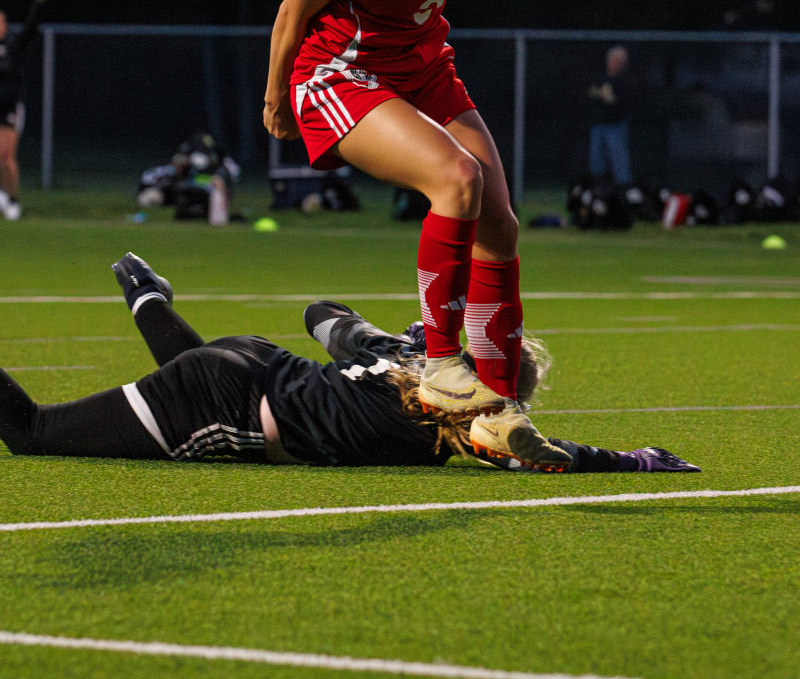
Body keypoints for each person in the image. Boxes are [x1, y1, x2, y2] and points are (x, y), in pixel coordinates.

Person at [226, 0, 532, 463]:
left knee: (501, 222)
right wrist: (275, 98)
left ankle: (496, 411)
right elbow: (291, 15)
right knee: (456, 179)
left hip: (422, 66)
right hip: (338, 74)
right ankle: (436, 366)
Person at [0, 252, 700, 476]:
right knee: (30, 433)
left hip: (254, 360)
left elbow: (321, 313)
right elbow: (551, 455)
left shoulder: (410, 355)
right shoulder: (481, 426)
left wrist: (395, 335)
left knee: (191, 373)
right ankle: (149, 304)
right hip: (236, 406)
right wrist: (639, 459)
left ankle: (149, 299)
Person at [0, 0, 56, 221]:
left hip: (8, 107)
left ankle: (12, 200)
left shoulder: (13, 45)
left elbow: (32, 25)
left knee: (6, 157)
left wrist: (39, 0)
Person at [587, 45, 633, 186]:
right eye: (613, 60)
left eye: (619, 61)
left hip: (616, 127)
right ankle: (598, 190)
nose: (615, 63)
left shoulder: (625, 82)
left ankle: (624, 191)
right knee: (596, 162)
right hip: (598, 126)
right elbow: (591, 99)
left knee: (620, 165)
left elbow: (623, 104)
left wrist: (610, 100)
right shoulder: (599, 80)